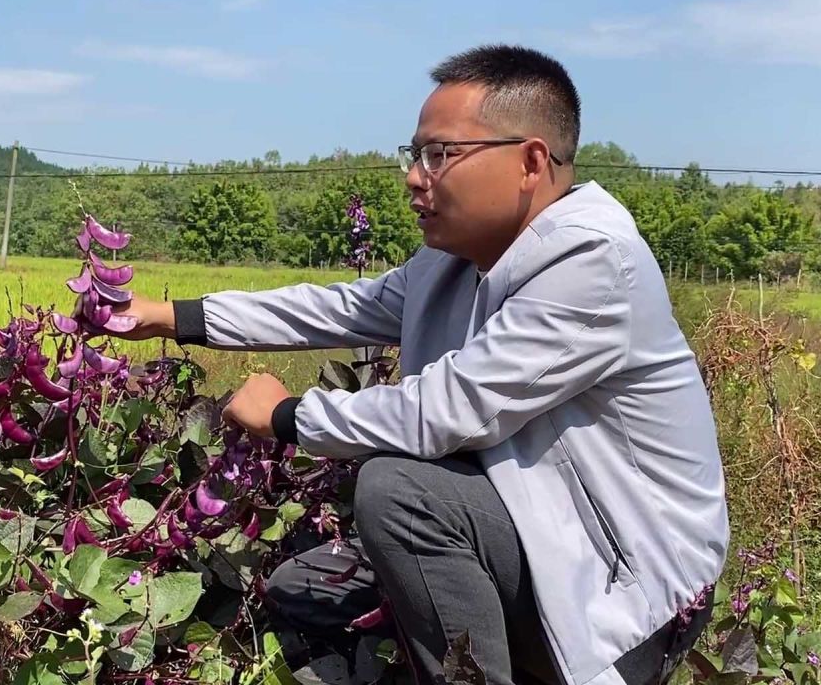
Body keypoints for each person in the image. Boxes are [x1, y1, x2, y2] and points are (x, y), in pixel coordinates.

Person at [113, 44, 728, 685]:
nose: (415, 175)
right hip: (531, 525)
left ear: (530, 161)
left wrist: (287, 416)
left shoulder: (594, 263)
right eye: (416, 153)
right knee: (300, 588)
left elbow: (448, 410)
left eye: (440, 154)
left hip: (624, 592)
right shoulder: (459, 257)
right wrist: (172, 317)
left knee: (398, 494)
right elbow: (338, 310)